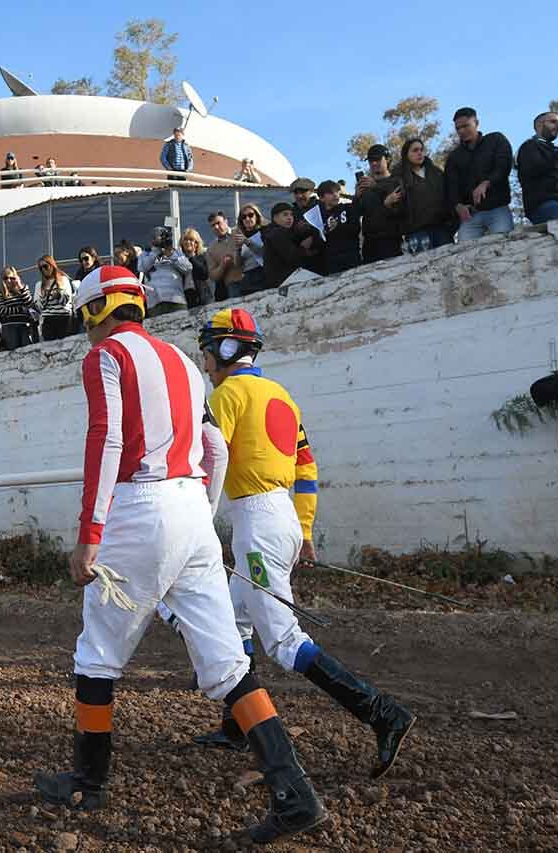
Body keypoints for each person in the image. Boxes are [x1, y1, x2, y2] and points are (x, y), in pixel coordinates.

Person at [32, 266, 329, 844]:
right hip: (193, 509)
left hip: (139, 509)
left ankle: (88, 783)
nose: (87, 332)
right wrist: (200, 511)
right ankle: (295, 796)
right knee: (227, 663)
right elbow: (213, 446)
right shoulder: (187, 364)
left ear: (97, 310)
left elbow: (107, 440)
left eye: (87, 319)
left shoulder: (106, 358)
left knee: (97, 655)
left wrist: (89, 532)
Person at [189, 309, 416, 781]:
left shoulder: (227, 395)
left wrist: (196, 517)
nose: (206, 360)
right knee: (234, 621)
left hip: (256, 523)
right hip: (285, 519)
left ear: (227, 349)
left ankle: (382, 713)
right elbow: (307, 467)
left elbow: (208, 457)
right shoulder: (283, 397)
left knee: (284, 641)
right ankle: (235, 728)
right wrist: (306, 531)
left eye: (209, 349)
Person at [444, 107, 514, 240]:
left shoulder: (496, 140)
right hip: (471, 216)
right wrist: (458, 206)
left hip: (498, 209)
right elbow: (451, 187)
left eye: (465, 126)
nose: (462, 131)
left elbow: (504, 166)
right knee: (464, 253)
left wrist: (486, 183)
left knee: (504, 246)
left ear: (476, 123)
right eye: (458, 128)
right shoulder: (454, 157)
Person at [517, 112, 558, 225]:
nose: (557, 126)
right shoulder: (529, 147)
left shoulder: (555, 150)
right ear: (539, 125)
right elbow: (536, 169)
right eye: (553, 122)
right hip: (546, 204)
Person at [396, 138, 453, 253]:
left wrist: (451, 224)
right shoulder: (399, 176)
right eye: (415, 150)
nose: (419, 153)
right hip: (416, 234)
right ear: (406, 154)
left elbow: (449, 196)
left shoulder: (436, 173)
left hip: (442, 230)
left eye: (422, 150)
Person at [354, 144, 404, 263]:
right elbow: (357, 213)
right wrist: (356, 197)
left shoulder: (396, 181)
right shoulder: (365, 186)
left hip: (391, 241)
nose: (374, 163)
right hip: (369, 244)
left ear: (387, 159)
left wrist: (376, 187)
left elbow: (399, 209)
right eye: (371, 160)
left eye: (377, 159)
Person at [138, 226, 193, 316]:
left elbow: (188, 268)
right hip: (155, 301)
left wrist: (171, 255)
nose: (160, 240)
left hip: (176, 300)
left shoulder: (176, 252)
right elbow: (142, 268)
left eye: (162, 237)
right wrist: (155, 252)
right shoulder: (146, 253)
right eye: (157, 236)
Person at [311, 181, 362, 275]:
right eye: (330, 193)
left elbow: (355, 229)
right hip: (332, 262)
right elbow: (318, 241)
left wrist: (336, 227)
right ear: (322, 198)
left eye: (337, 191)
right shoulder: (317, 218)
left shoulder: (348, 208)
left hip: (352, 257)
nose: (335, 195)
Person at [261, 203, 314, 289]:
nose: (289, 218)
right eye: (285, 215)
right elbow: (292, 257)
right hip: (285, 278)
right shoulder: (277, 233)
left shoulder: (276, 233)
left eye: (291, 215)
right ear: (275, 218)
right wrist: (304, 247)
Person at [206, 211, 243, 301]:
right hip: (233, 285)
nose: (216, 227)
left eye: (218, 223)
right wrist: (223, 265)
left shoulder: (240, 231)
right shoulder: (211, 249)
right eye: (213, 225)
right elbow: (213, 276)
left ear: (226, 221)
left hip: (250, 278)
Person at [0, 266, 37, 350]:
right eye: (5, 278)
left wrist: (20, 286)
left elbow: (29, 303)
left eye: (11, 278)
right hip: (9, 328)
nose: (8, 280)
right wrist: (21, 309)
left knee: (28, 351)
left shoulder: (23, 289)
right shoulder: (0, 294)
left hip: (25, 326)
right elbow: (2, 310)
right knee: (13, 354)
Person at [37, 254, 75, 341]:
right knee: (49, 348)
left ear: (51, 265)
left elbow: (67, 300)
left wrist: (58, 295)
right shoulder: (40, 284)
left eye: (45, 266)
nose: (43, 270)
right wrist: (43, 297)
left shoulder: (63, 280)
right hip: (48, 319)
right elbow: (40, 307)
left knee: (65, 346)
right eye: (41, 268)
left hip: (63, 317)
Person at [235, 204, 268, 294]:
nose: (247, 219)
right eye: (244, 217)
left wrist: (248, 242)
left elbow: (265, 253)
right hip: (248, 278)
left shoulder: (265, 232)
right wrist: (237, 249)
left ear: (257, 216)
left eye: (250, 215)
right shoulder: (240, 236)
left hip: (263, 274)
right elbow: (238, 264)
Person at [180, 228, 211, 306]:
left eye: (191, 240)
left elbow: (204, 274)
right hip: (185, 296)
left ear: (196, 243)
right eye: (185, 240)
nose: (188, 242)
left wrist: (192, 257)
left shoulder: (202, 257)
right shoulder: (179, 260)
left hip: (201, 296)